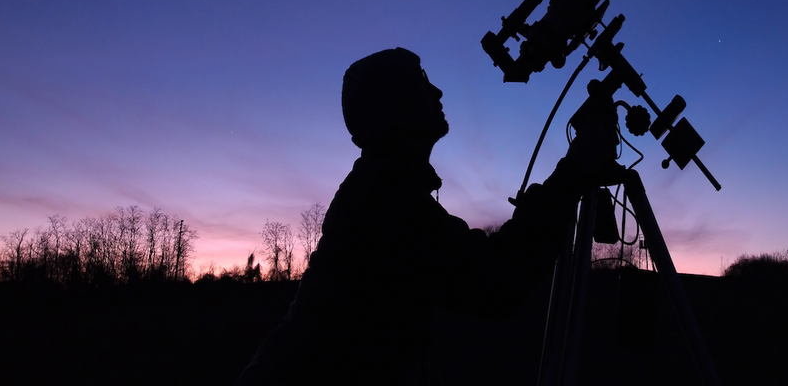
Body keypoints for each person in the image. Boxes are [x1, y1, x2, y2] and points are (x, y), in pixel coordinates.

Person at [237, 48, 617, 385]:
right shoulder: (386, 200)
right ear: (395, 108)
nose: (437, 92)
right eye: (422, 84)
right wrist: (574, 173)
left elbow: (384, 339)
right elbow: (494, 281)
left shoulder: (381, 187)